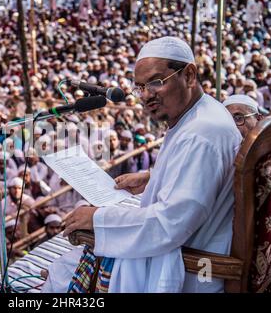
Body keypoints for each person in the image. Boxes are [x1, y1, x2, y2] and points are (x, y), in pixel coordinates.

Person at [63, 37, 242, 293]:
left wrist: (97, 219)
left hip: (192, 267)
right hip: (189, 247)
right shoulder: (202, 114)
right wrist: (151, 177)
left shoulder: (201, 133)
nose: (146, 95)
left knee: (65, 271)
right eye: (140, 87)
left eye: (156, 82)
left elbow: (170, 224)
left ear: (189, 75)